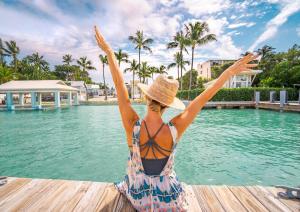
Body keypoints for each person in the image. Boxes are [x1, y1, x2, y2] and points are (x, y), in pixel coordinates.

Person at [94, 26, 258, 211]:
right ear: (168, 105)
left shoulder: (132, 125)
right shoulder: (174, 129)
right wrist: (228, 73)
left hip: (139, 198)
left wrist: (109, 51)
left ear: (147, 97)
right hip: (168, 199)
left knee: (126, 181)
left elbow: (118, 85)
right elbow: (203, 97)